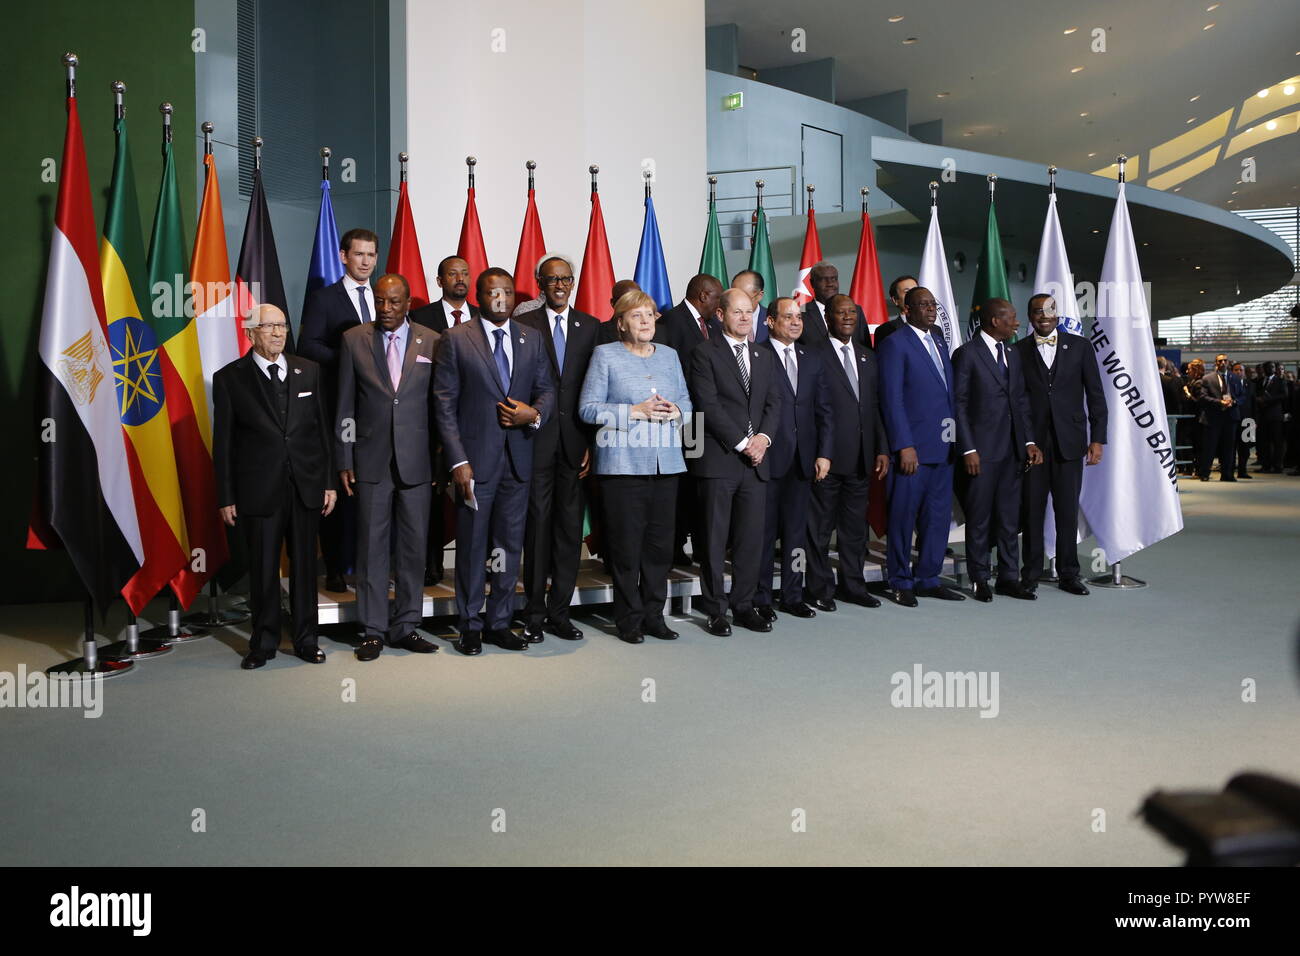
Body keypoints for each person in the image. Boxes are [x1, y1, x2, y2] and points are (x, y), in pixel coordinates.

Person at [434, 268, 555, 656]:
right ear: (479, 296)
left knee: (508, 546)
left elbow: (547, 390)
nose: (499, 298)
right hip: (475, 465)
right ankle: (470, 624)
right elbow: (444, 406)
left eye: (505, 292)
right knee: (471, 547)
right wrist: (458, 462)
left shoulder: (531, 338)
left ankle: (499, 622)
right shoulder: (456, 339)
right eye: (491, 292)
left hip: (518, 462)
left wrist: (532, 415)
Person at [214, 304, 337, 669]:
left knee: (303, 568)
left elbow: (323, 432)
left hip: (306, 486)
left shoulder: (309, 371)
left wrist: (329, 482)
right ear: (250, 333)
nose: (278, 333)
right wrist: (226, 495)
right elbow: (223, 443)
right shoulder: (230, 378)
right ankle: (263, 643)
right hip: (258, 489)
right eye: (269, 327)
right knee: (264, 569)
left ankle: (306, 640)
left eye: (282, 326)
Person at [336, 274, 441, 661]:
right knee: (371, 548)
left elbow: (439, 406)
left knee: (413, 548)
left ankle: (407, 626)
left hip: (417, 461)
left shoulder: (431, 340)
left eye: (394, 302)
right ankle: (373, 629)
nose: (385, 310)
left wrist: (441, 460)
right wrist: (344, 457)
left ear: (408, 303)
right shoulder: (353, 339)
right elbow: (344, 406)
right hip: (371, 461)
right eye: (380, 301)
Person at [579, 290, 691, 643]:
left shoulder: (670, 356)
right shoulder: (605, 355)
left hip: (667, 464)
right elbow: (588, 408)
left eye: (650, 314)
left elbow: (687, 401)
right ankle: (629, 618)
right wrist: (634, 411)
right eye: (637, 315)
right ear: (620, 323)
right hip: (622, 467)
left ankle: (655, 616)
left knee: (660, 548)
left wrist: (678, 412)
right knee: (627, 548)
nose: (646, 321)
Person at [687, 288, 783, 635]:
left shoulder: (763, 356)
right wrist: (744, 442)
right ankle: (715, 609)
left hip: (757, 463)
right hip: (719, 460)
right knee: (713, 540)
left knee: (750, 539)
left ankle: (744, 605)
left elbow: (774, 403)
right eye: (737, 312)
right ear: (721, 315)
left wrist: (763, 440)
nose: (745, 318)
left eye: (749, 312)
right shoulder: (704, 353)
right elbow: (707, 406)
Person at [517, 256, 597, 643]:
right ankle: (533, 614)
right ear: (540, 284)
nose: (560, 285)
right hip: (535, 442)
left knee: (568, 533)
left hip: (575, 447)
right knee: (538, 531)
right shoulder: (524, 325)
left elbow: (596, 389)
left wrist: (591, 444)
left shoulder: (591, 327)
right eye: (552, 280)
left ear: (573, 281)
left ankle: (559, 613)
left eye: (566, 279)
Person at [298, 227, 379, 593]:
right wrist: (351, 361)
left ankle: (372, 568)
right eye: (359, 254)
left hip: (380, 412)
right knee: (340, 489)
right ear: (344, 256)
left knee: (375, 491)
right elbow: (307, 346)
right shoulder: (325, 298)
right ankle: (334, 567)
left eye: (371, 255)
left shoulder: (386, 297)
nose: (365, 261)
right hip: (339, 408)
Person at [1014, 294, 1107, 596]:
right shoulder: (1017, 351)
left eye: (1049, 311)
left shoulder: (1080, 347)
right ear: (1029, 316)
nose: (1044, 316)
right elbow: (1017, 402)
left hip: (1071, 444)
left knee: (1067, 512)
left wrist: (1097, 439)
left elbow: (1096, 396)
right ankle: (1029, 575)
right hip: (1033, 448)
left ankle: (1069, 574)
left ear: (1058, 314)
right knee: (1031, 512)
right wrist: (1025, 440)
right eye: (1037, 311)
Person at [877, 286, 963, 606]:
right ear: (907, 310)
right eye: (922, 305)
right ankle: (900, 580)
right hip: (912, 450)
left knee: (937, 518)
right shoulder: (894, 344)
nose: (929, 310)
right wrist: (903, 445)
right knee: (902, 517)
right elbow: (891, 399)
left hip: (943, 448)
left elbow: (947, 396)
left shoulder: (940, 340)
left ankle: (928, 578)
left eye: (932, 305)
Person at [805, 295, 891, 612]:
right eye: (841, 313)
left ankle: (853, 586)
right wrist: (818, 453)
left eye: (852, 313)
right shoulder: (812, 355)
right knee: (819, 529)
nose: (847, 318)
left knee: (855, 530)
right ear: (828, 317)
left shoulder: (868, 357)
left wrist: (882, 448)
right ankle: (820, 589)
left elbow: (875, 408)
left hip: (862, 459)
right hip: (827, 459)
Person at [952, 298, 1041, 602]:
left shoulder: (1013, 354)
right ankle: (979, 578)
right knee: (979, 519)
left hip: (1013, 451)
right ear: (994, 321)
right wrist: (968, 449)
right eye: (1012, 318)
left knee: (1008, 518)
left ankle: (1008, 577)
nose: (1017, 323)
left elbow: (1020, 401)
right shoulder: (966, 355)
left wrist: (1028, 441)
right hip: (981, 453)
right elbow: (959, 405)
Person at [753, 297, 834, 619]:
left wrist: (824, 453)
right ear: (770, 321)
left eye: (798, 317)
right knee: (763, 534)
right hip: (768, 460)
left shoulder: (812, 357)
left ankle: (792, 593)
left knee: (797, 536)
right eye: (788, 317)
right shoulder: (758, 354)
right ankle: (760, 597)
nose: (796, 322)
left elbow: (824, 410)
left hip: (804, 462)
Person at [409, 255, 481, 585]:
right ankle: (432, 565)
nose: (460, 279)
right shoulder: (419, 318)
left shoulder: (483, 318)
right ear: (440, 281)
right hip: (429, 421)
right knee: (434, 497)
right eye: (452, 274)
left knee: (476, 496)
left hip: (475, 422)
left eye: (465, 273)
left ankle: (476, 566)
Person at [654, 273, 723, 566]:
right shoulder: (671, 321)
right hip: (681, 420)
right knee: (680, 484)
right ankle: (673, 546)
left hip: (704, 420)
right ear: (704, 296)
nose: (720, 305)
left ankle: (687, 541)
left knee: (696, 482)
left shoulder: (712, 324)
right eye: (718, 298)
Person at [798, 261, 871, 350]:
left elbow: (865, 348)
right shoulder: (800, 313)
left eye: (834, 279)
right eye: (823, 279)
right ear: (812, 283)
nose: (830, 284)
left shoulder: (856, 310)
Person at [1195, 353, 1237, 481]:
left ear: (1228, 362)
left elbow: (1242, 396)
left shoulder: (1234, 378)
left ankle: (1227, 474)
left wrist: (1233, 402)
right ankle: (1204, 474)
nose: (1223, 363)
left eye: (1225, 360)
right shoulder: (1207, 379)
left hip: (1230, 417)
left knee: (1229, 448)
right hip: (1212, 418)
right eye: (1220, 361)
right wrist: (1220, 402)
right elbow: (1202, 397)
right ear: (1216, 363)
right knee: (1209, 447)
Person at [1255, 361, 1287, 473]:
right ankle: (1266, 465)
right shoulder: (1260, 381)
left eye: (1273, 367)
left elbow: (1284, 395)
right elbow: (1256, 395)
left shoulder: (1280, 381)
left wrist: (1267, 399)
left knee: (1277, 442)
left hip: (1275, 416)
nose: (1271, 369)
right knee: (1264, 442)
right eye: (1269, 367)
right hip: (1263, 416)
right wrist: (1259, 400)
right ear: (1264, 369)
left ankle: (1278, 466)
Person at [872, 275, 917, 348]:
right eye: (907, 291)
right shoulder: (885, 331)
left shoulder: (935, 329)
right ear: (895, 300)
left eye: (916, 290)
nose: (914, 295)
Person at [732, 269, 770, 342]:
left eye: (744, 298)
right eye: (734, 296)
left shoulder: (773, 319)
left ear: (759, 296)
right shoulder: (721, 319)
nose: (738, 302)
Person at [1233, 362, 1255, 479]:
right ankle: (1229, 471)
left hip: (1247, 421)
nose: (1238, 372)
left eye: (1241, 370)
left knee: (1245, 448)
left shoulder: (1250, 385)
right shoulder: (1229, 384)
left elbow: (1254, 404)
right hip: (1233, 420)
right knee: (1231, 447)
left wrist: (1255, 420)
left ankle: (1242, 471)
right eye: (1236, 370)